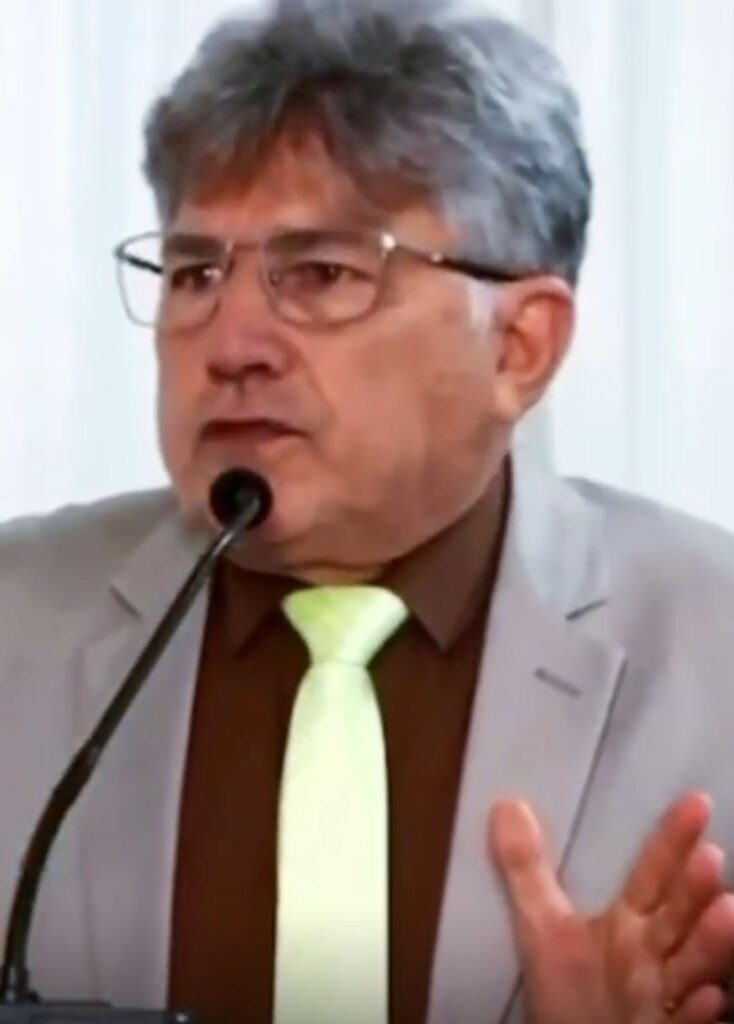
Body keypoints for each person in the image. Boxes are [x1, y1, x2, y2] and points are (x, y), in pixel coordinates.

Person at [1, 1, 733, 1022]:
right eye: (195, 272)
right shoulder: (14, 620)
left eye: (322, 274)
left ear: (518, 345)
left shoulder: (712, 649)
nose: (231, 342)